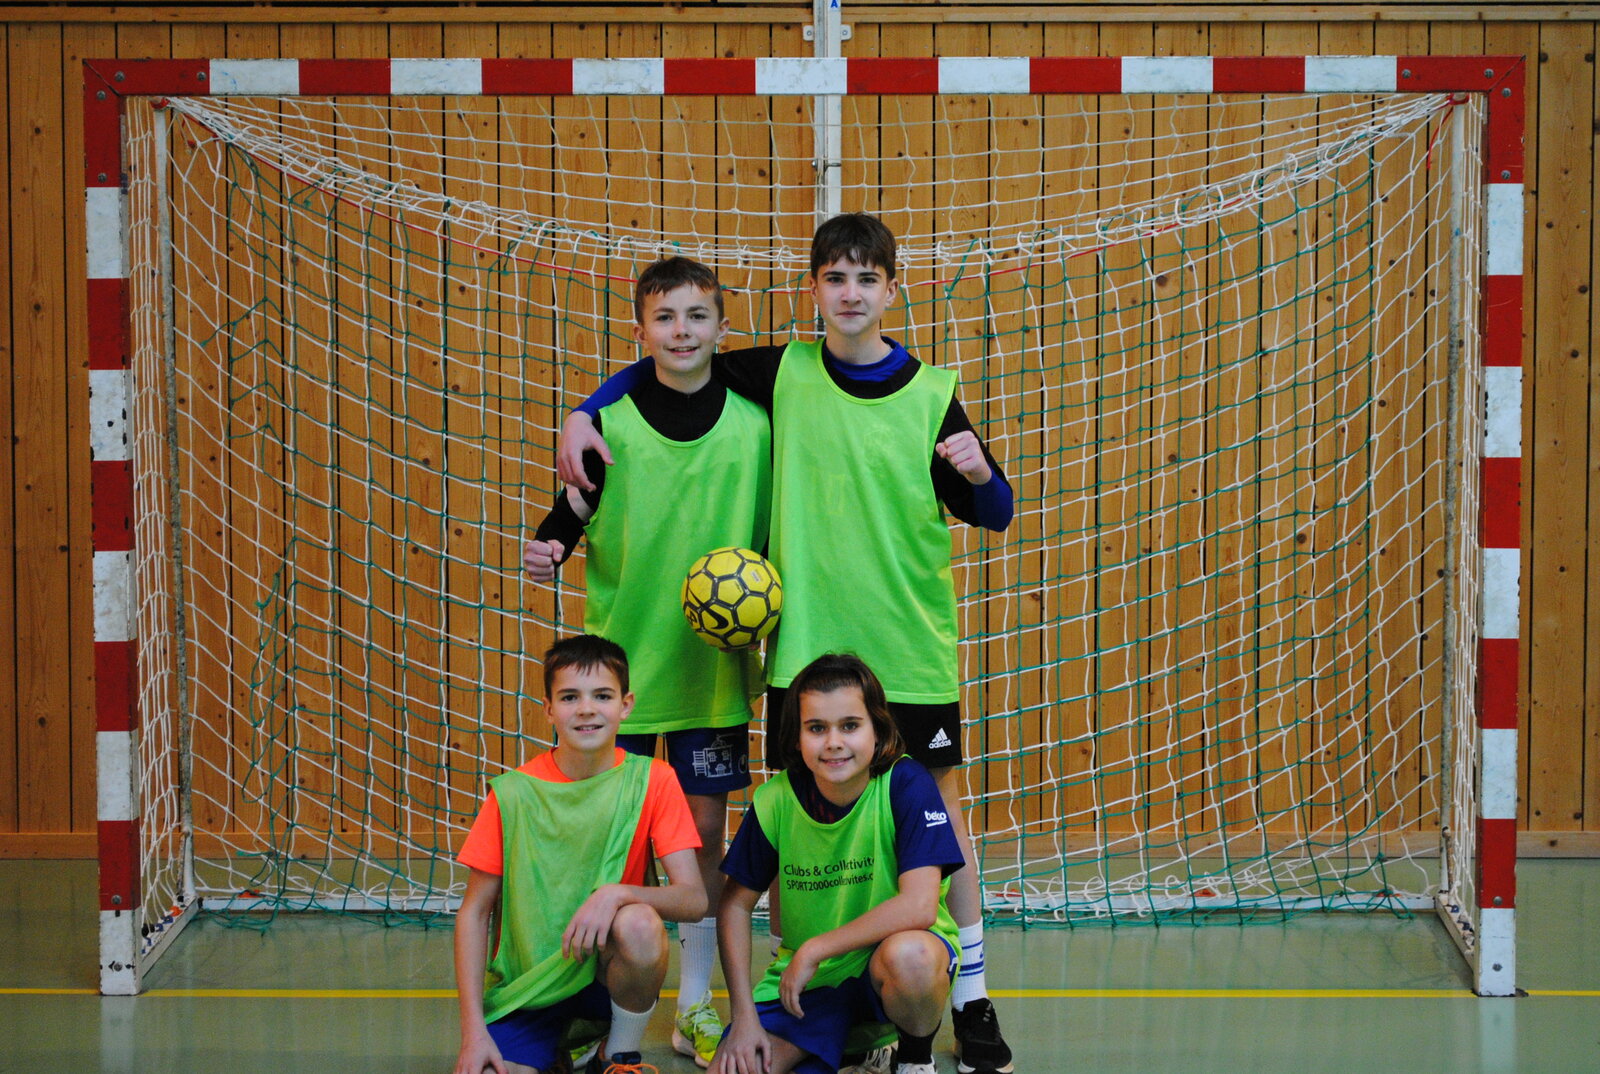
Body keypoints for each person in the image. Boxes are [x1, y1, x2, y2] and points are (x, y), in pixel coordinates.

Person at [558, 215, 1015, 1073]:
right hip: (804, 653)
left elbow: (994, 512)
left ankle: (972, 997)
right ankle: (805, 981)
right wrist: (584, 413)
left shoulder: (931, 394)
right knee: (801, 821)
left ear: (892, 290)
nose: (850, 293)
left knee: (944, 814)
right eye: (835, 278)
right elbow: (675, 366)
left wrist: (984, 473)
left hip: (908, 645)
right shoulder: (783, 371)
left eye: (866, 278)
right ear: (814, 290)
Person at [525, 256, 772, 1068]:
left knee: (700, 838)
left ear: (723, 328)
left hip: (710, 671)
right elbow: (572, 510)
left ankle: (694, 1003)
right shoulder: (612, 424)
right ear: (640, 331)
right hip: (619, 678)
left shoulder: (756, 424)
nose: (682, 331)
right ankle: (594, 996)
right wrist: (549, 546)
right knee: (611, 839)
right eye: (665, 318)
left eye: (697, 316)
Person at [454, 634, 708, 1074]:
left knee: (639, 923)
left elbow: (694, 899)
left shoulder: (653, 779)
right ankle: (555, 1049)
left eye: (602, 696)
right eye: (570, 697)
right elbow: (473, 913)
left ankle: (618, 1056)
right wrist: (473, 1033)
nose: (587, 709)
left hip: (604, 980)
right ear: (549, 709)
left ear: (626, 705)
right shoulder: (513, 794)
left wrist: (615, 894)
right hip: (529, 990)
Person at [710, 653, 964, 1074]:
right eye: (816, 728)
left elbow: (920, 906)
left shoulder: (906, 783)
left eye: (849, 725)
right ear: (796, 738)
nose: (833, 742)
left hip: (886, 967)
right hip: (815, 983)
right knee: (736, 1069)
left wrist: (816, 948)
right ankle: (854, 1049)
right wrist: (744, 1018)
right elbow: (735, 905)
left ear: (877, 730)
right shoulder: (775, 800)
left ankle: (914, 1058)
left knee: (913, 956)